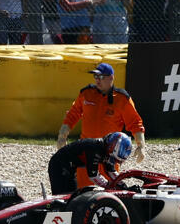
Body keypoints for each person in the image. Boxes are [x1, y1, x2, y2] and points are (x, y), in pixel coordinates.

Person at [57, 62, 146, 191]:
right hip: (85, 153)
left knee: (109, 192)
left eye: (101, 77)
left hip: (108, 156)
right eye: (96, 77)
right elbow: (72, 115)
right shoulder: (86, 93)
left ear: (111, 78)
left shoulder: (122, 99)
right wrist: (62, 135)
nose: (98, 80)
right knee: (82, 192)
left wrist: (141, 146)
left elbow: (135, 123)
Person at [48, 132, 133, 195]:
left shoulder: (107, 150)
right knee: (62, 198)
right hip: (58, 164)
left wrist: (125, 187)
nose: (114, 162)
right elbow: (93, 175)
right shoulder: (95, 148)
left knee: (72, 197)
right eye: (115, 160)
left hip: (70, 167)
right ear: (111, 148)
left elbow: (111, 172)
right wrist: (109, 186)